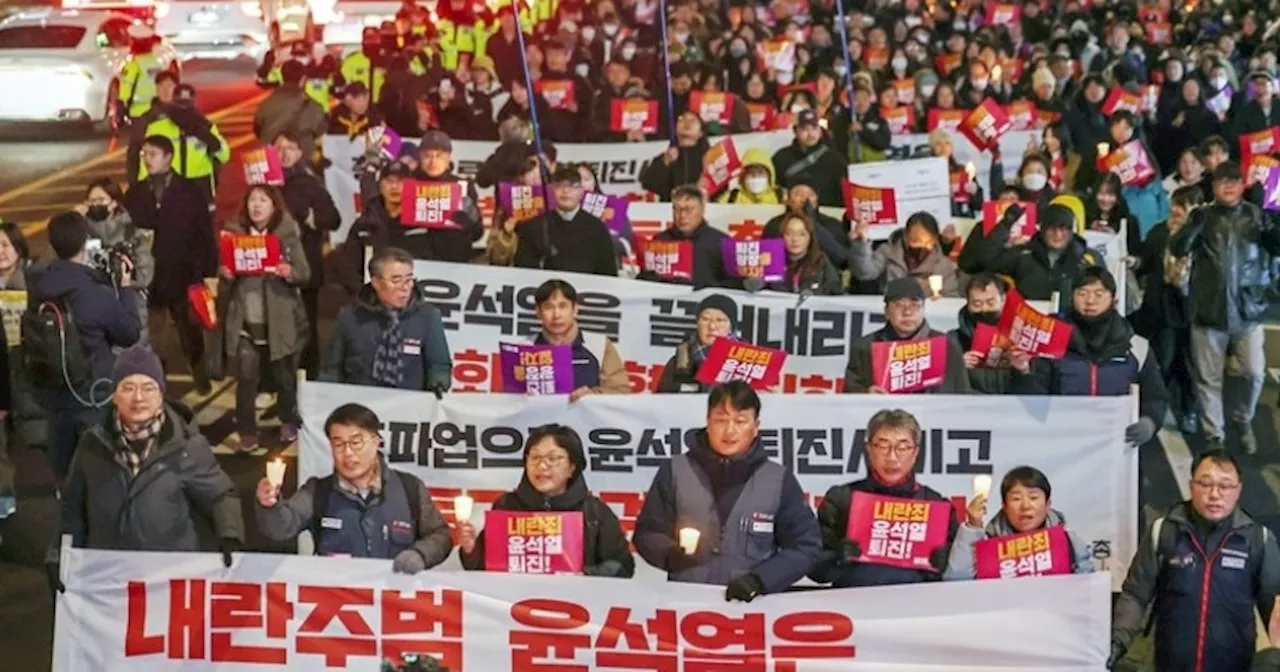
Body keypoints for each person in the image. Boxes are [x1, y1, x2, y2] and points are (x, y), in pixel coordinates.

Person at [48, 347, 242, 594]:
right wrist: (57, 554)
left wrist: (229, 535)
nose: (138, 398)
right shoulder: (92, 445)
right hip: (108, 579)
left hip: (169, 581)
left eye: (148, 388)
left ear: (161, 394)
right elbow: (72, 508)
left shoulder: (186, 446)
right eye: (128, 388)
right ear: (114, 396)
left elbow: (220, 495)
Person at [633, 382, 822, 601]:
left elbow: (806, 546)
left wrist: (761, 580)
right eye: (721, 420)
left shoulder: (777, 479)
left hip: (751, 610)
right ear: (707, 421)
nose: (729, 430)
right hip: (685, 606)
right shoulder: (676, 470)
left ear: (756, 426)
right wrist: (669, 555)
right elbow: (648, 532)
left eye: (740, 421)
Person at [1110, 450, 1280, 671]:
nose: (1214, 494)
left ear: (1238, 491)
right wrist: (1117, 641)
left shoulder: (1259, 540)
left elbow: (1276, 606)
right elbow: (1135, 595)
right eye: (1205, 484)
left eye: (1225, 486)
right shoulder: (1163, 532)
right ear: (1191, 486)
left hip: (1234, 665)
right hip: (1170, 663)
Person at [255, 403, 453, 572]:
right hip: (339, 606)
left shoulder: (409, 488)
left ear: (376, 442)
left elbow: (440, 535)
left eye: (356, 442)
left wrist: (420, 554)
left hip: (395, 605)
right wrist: (268, 505)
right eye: (338, 444)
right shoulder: (318, 491)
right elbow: (280, 528)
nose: (348, 453)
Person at [1170, 161, 1280, 454]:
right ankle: (1214, 434)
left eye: (1234, 180)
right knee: (1209, 378)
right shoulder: (1202, 216)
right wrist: (1192, 226)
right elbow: (1177, 249)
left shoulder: (1258, 216)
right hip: (1208, 308)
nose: (1229, 186)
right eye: (1222, 181)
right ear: (1213, 186)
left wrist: (1276, 216)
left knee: (1254, 372)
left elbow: (1277, 246)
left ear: (1243, 184)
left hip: (1249, 309)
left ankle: (1242, 419)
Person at [30, 212, 142, 479]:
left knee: (64, 469)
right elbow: (129, 333)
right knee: (98, 472)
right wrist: (124, 287)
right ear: (84, 242)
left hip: (52, 392)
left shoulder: (37, 285)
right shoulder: (93, 293)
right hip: (91, 393)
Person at [1011, 267, 1168, 446]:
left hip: (1115, 445)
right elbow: (1035, 400)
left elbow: (1155, 396)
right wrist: (1024, 372)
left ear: (1114, 301)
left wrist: (1149, 422)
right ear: (1071, 297)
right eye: (1082, 293)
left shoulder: (1137, 347)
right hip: (1059, 442)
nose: (1090, 301)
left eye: (1099, 294)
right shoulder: (1051, 341)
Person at [457, 424, 635, 577]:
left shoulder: (594, 512)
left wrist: (585, 575)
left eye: (553, 458)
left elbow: (623, 567)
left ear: (572, 467)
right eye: (535, 458)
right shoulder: (506, 505)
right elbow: (482, 569)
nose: (542, 466)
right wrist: (471, 550)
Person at [809, 408, 958, 587]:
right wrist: (836, 559)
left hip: (915, 607)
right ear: (869, 449)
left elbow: (960, 575)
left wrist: (944, 565)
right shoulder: (842, 499)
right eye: (883, 446)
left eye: (902, 448)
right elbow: (815, 570)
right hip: (854, 605)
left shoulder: (935, 506)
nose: (892, 457)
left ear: (915, 453)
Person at [212, 186, 310, 451]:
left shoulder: (287, 234)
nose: (257, 206)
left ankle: (289, 420)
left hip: (279, 321)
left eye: (263, 200)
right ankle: (246, 431)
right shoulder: (233, 235)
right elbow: (223, 272)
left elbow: (304, 272)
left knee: (284, 378)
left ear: (274, 206)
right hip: (245, 321)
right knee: (246, 379)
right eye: (252, 200)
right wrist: (226, 273)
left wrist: (288, 270)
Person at [122, 135, 217, 394]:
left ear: (168, 157)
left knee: (190, 331)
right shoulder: (136, 192)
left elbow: (205, 234)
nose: (147, 159)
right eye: (144, 155)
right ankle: (157, 380)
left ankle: (199, 371)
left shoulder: (189, 191)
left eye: (152, 154)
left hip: (183, 273)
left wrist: (209, 272)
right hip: (148, 277)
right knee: (153, 335)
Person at [324, 247, 451, 392]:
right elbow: (332, 368)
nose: (405, 288)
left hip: (409, 402)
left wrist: (439, 383)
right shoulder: (350, 316)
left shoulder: (428, 316)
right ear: (376, 283)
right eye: (396, 281)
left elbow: (439, 365)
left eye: (409, 280)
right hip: (360, 401)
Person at [943, 466, 1095, 579]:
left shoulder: (1069, 542)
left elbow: (1086, 593)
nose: (1025, 506)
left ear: (1048, 504)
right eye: (1016, 498)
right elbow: (956, 581)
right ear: (1004, 505)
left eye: (1034, 497)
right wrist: (973, 527)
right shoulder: (987, 542)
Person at [274, 132, 340, 379]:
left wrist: (314, 220)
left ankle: (309, 378)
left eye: (290, 147)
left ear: (301, 152)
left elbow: (334, 219)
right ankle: (276, 383)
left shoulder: (309, 183)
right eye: (279, 148)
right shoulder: (266, 184)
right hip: (273, 268)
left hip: (306, 266)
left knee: (306, 327)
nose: (285, 153)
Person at [843, 278, 971, 394]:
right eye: (898, 305)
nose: (907, 312)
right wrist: (866, 394)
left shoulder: (947, 346)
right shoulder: (865, 347)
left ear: (924, 309)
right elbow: (849, 393)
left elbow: (962, 395)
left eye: (915, 305)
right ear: (886, 312)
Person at [958, 200, 1098, 302]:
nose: (1058, 234)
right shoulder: (1025, 254)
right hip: (1028, 323)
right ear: (1042, 229)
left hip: (1071, 326)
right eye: (1052, 228)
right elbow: (987, 258)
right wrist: (1007, 223)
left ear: (1071, 231)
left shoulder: (1087, 259)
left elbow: (1101, 291)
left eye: (1063, 229)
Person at [77, 179, 154, 342]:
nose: (95, 205)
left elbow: (145, 275)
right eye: (91, 201)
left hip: (129, 309)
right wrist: (74, 220)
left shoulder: (132, 233)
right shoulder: (79, 233)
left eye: (101, 200)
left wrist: (123, 275)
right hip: (93, 311)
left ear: (114, 203)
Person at [528, 279, 629, 399]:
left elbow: (621, 391)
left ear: (575, 309)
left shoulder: (599, 345)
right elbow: (505, 399)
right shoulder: (524, 347)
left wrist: (593, 396)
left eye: (563, 306)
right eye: (549, 307)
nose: (556, 315)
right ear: (538, 312)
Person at [513, 166, 618, 276]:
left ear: (582, 192)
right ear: (552, 190)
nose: (566, 191)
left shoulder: (597, 228)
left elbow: (608, 273)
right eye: (560, 185)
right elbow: (523, 273)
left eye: (573, 186)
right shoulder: (533, 227)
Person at [403, 130, 485, 263]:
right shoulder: (407, 185)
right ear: (420, 158)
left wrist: (470, 218)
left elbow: (477, 233)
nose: (433, 161)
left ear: (448, 158)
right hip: (414, 262)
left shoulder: (463, 186)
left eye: (439, 156)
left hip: (454, 263)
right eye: (427, 155)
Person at [637, 186, 739, 289]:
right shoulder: (660, 241)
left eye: (688, 209)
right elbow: (644, 283)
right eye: (677, 209)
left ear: (702, 209)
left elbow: (735, 283)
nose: (682, 215)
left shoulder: (721, 242)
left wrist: (708, 287)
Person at [850, 211, 962, 297]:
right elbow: (864, 273)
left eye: (928, 243)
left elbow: (951, 298)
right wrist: (861, 244)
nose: (922, 247)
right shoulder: (888, 252)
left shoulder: (943, 265)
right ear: (906, 235)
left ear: (935, 239)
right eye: (916, 241)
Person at [656, 294, 738, 394]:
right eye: (705, 319)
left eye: (720, 320)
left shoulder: (747, 360)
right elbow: (662, 401)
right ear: (697, 323)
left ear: (731, 327)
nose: (712, 326)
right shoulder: (681, 360)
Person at [950, 273, 1014, 394]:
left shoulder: (1021, 335)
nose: (984, 309)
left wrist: (1024, 367)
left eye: (990, 303)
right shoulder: (953, 340)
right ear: (967, 304)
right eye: (977, 304)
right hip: (969, 406)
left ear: (1003, 300)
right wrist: (958, 366)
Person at [255, 60, 329, 162]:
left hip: (272, 163)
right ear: (303, 79)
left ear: (282, 77)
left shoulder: (266, 105)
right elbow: (322, 135)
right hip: (302, 164)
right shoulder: (313, 106)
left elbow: (258, 131)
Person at [772, 110, 848, 207]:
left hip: (828, 215)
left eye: (814, 128)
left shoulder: (835, 159)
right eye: (805, 129)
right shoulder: (781, 157)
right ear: (795, 131)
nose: (811, 134)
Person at [639, 110, 709, 200]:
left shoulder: (708, 158)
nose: (686, 123)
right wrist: (664, 162)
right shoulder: (666, 157)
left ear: (701, 133)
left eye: (692, 121)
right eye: (682, 119)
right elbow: (648, 183)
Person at [767, 213, 843, 295]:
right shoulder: (772, 260)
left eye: (802, 234)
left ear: (810, 238)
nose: (795, 239)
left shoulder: (821, 262)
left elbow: (837, 294)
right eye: (789, 233)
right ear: (782, 236)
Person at [717, 149, 783, 204]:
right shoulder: (731, 197)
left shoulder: (781, 196)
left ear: (769, 175)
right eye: (751, 173)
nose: (755, 176)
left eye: (760, 172)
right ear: (743, 176)